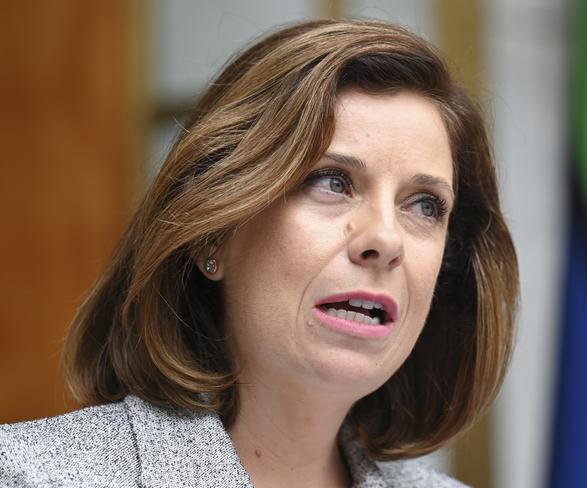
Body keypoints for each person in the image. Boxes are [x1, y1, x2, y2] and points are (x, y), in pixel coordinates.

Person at [0, 18, 518, 488]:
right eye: (332, 181)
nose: (385, 239)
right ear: (213, 232)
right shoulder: (31, 475)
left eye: (425, 205)